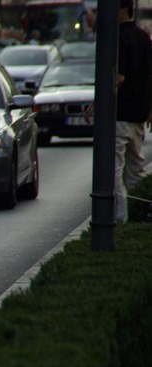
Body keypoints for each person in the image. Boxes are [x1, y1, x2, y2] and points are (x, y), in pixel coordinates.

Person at [85, 0, 152, 223]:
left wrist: (98, 103)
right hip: (139, 115)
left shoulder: (117, 37)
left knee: (113, 168)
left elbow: (119, 78)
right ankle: (140, 213)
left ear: (123, 9)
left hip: (120, 113)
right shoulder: (143, 37)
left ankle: (119, 217)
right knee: (136, 169)